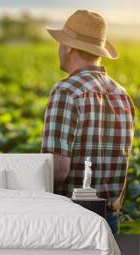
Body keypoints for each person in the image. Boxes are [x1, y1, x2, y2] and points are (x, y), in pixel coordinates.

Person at [41, 10, 135, 234]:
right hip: (110, 219)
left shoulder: (66, 91)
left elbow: (58, 170)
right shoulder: (123, 95)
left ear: (69, 46)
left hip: (73, 219)